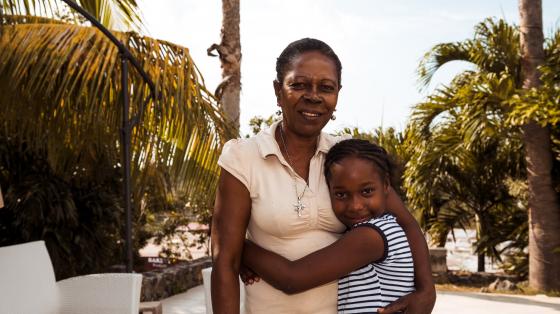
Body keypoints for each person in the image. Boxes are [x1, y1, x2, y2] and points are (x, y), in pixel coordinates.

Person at [211, 38, 435, 314]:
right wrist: (234, 251)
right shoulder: (244, 157)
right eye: (299, 85)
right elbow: (225, 263)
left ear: (337, 94)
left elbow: (408, 224)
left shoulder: (349, 160)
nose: (314, 96)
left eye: (326, 88)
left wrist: (427, 291)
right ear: (278, 91)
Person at [242, 139, 416, 313]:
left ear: (386, 186)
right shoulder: (381, 228)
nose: (355, 205)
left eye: (367, 191)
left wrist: (241, 248)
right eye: (341, 194)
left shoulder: (371, 236)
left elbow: (292, 279)